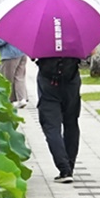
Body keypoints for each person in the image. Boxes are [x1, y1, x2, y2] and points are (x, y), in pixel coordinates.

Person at [34, 53, 82, 183]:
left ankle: (64, 168)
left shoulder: (42, 33)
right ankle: (69, 167)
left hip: (48, 82)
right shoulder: (74, 33)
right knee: (71, 123)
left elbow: (31, 54)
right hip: (71, 80)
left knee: (51, 127)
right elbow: (92, 51)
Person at [0, 33, 29, 108]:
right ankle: (22, 99)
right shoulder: (22, 25)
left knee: (7, 79)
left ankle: (8, 100)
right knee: (19, 77)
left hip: (10, 55)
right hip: (22, 53)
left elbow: (0, 41)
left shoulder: (8, 27)